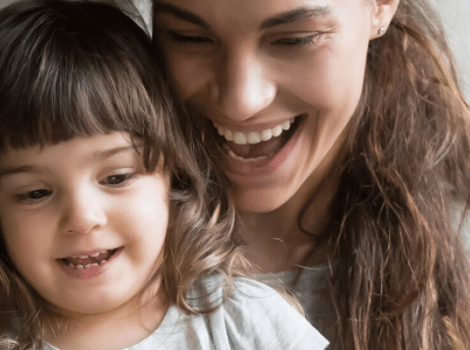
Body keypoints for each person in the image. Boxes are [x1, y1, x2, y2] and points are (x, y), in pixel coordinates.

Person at [0, 0, 329, 349]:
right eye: (35, 192)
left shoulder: (246, 324)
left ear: (173, 175)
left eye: (116, 178)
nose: (82, 217)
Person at [151, 0, 470, 349]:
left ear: (381, 6)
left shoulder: (460, 227)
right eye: (190, 38)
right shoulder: (99, 240)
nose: (241, 101)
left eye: (295, 40)